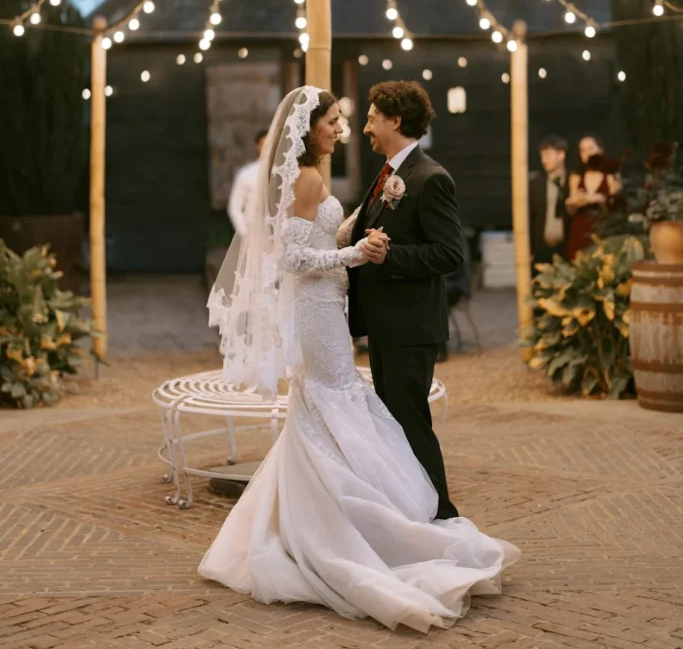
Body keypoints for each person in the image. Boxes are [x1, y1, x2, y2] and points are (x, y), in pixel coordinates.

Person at [200, 86, 519, 632]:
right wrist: (353, 251)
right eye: (336, 120)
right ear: (310, 129)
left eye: (364, 119)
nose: (350, 128)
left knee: (357, 412)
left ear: (396, 120)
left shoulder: (414, 176)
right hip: (321, 310)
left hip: (363, 317)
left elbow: (434, 251)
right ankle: (376, 525)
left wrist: (355, 238)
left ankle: (404, 518)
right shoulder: (313, 179)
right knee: (338, 407)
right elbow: (296, 254)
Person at [347, 80, 463, 520]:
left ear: (396, 120)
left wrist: (390, 254)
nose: (365, 128)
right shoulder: (388, 176)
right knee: (397, 422)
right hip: (386, 323)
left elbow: (450, 253)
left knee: (411, 421)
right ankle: (413, 511)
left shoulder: (430, 178)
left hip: (410, 327)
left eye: (373, 117)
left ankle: (442, 516)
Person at [566, 134, 622, 260]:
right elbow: (571, 211)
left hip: (604, 228)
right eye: (583, 150)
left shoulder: (611, 176)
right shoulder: (576, 177)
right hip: (581, 228)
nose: (587, 153)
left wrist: (600, 198)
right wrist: (573, 203)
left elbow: (617, 205)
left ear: (600, 151)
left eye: (590, 149)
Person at [529, 135, 570, 267]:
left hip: (568, 247)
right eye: (541, 156)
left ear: (561, 155)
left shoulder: (573, 180)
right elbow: (530, 217)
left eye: (548, 155)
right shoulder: (536, 183)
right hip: (542, 248)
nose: (543, 160)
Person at [227, 129, 268, 237]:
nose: (267, 148)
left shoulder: (285, 173)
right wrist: (245, 233)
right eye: (264, 144)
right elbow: (235, 206)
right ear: (257, 146)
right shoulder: (247, 173)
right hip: (254, 233)